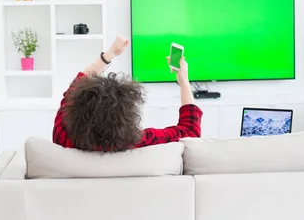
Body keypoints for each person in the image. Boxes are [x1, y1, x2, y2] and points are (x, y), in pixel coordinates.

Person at [52, 36, 203, 151]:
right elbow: (190, 131)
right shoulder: (140, 143)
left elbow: (75, 87)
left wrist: (109, 54)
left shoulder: (63, 137)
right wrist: (183, 81)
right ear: (127, 115)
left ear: (78, 111)